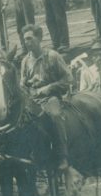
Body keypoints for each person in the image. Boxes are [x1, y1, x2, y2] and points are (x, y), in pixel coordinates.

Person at [20, 24, 73, 170]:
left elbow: (68, 79)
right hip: (32, 101)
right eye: (25, 39)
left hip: (51, 98)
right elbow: (22, 84)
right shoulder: (25, 61)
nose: (27, 42)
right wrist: (25, 85)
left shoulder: (53, 56)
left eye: (30, 38)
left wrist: (48, 88)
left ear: (39, 38)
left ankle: (63, 156)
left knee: (55, 117)